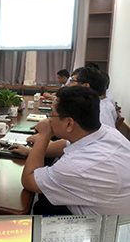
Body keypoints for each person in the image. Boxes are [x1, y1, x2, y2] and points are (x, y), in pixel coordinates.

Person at [18, 86, 130, 214]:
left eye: (52, 114)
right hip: (112, 208)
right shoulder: (107, 132)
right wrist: (29, 151)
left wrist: (43, 137)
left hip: (100, 224)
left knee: (41, 206)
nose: (49, 119)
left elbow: (28, 180)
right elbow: (64, 145)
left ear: (69, 124)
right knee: (45, 200)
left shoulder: (76, 166)